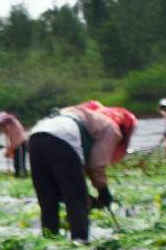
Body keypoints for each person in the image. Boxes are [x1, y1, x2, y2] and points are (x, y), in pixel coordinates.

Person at [25, 101, 135, 241]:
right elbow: (96, 164)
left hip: (36, 135)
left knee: (47, 197)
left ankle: (49, 240)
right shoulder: (111, 127)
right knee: (76, 198)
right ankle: (80, 240)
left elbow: (81, 166)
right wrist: (103, 191)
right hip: (63, 136)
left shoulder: (85, 115)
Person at [0, 111, 28, 178]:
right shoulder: (8, 125)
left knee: (20, 162)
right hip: (16, 144)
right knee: (16, 161)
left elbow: (16, 140)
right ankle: (17, 175)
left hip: (20, 144)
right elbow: (11, 139)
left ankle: (22, 175)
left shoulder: (12, 124)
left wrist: (9, 151)